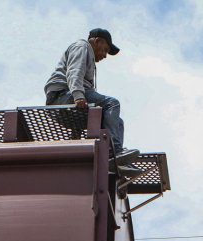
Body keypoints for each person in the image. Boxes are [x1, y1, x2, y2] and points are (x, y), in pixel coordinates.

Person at [44, 29, 140, 176]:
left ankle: (118, 161)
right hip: (62, 96)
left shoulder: (88, 54)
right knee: (112, 103)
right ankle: (114, 152)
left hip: (70, 96)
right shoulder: (82, 47)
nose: (105, 55)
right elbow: (74, 71)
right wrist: (78, 96)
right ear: (97, 41)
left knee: (117, 121)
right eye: (105, 49)